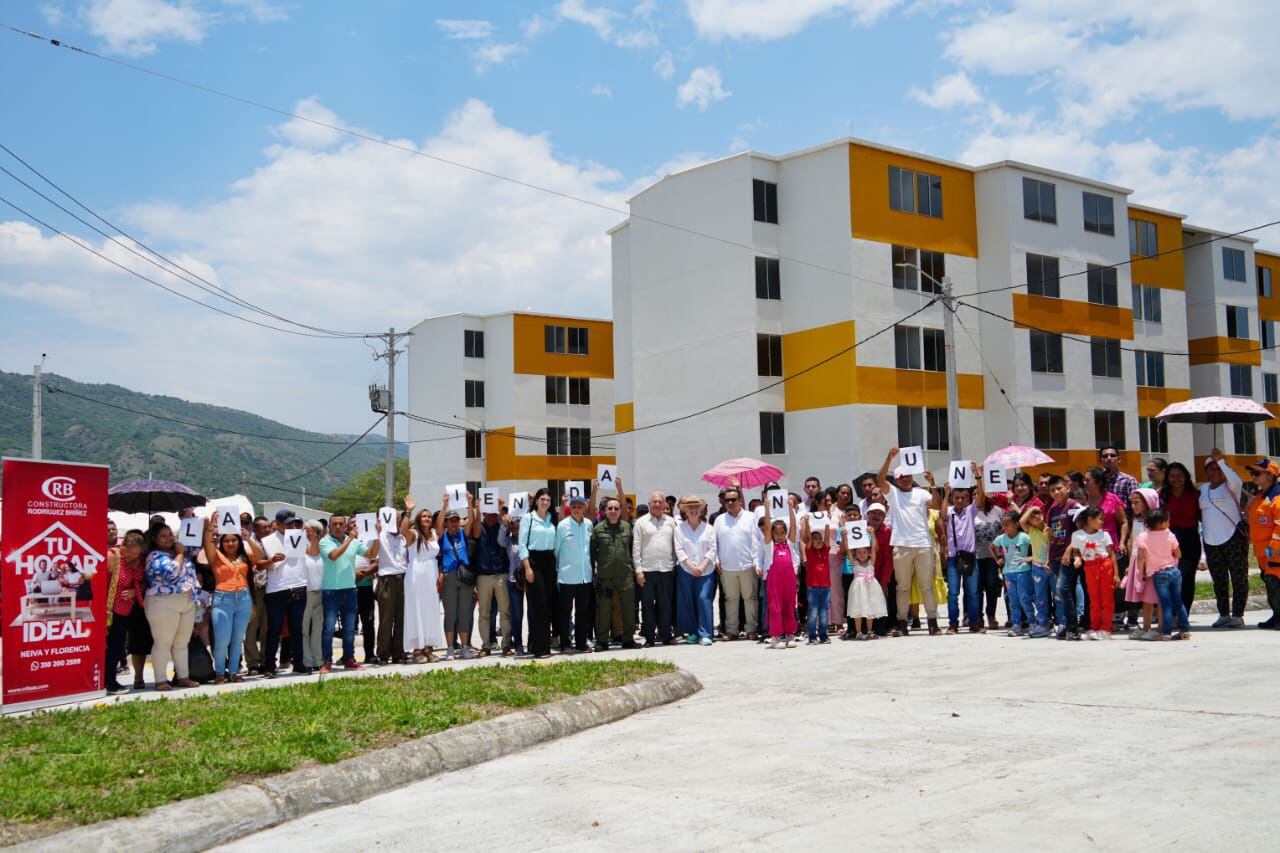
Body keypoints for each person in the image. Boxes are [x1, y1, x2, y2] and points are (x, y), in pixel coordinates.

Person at [877, 448, 940, 636]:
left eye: (908, 475)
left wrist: (933, 485)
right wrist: (888, 459)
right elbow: (880, 480)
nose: (906, 478)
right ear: (896, 479)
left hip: (922, 544)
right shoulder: (893, 494)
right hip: (902, 544)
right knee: (902, 587)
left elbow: (935, 505)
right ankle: (902, 623)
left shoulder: (921, 493)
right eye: (902, 476)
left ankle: (933, 622)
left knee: (926, 585)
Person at [258, 511, 317, 677]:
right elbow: (259, 564)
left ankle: (298, 663)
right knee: (274, 629)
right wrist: (271, 561)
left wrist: (312, 538)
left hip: (298, 585)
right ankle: (270, 665)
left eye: (293, 523)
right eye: (287, 523)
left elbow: (313, 553)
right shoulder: (268, 540)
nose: (291, 526)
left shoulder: (300, 536)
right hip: (277, 589)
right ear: (277, 523)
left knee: (297, 629)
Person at [202, 513, 259, 684]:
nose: (230, 543)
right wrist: (210, 526)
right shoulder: (216, 556)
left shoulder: (244, 556)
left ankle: (233, 672)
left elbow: (259, 554)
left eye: (234, 540)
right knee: (221, 640)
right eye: (226, 540)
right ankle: (220, 672)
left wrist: (249, 539)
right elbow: (207, 543)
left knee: (236, 639)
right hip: (222, 599)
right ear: (221, 542)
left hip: (243, 598)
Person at [143, 523, 200, 690]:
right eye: (163, 535)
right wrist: (180, 553)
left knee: (182, 643)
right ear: (154, 539)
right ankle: (160, 680)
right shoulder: (154, 556)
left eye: (170, 534)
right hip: (163, 603)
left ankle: (183, 677)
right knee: (163, 642)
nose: (169, 538)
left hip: (186, 602)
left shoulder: (178, 554)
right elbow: (172, 572)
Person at [1200, 450, 1249, 628]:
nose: (1215, 472)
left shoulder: (1231, 486)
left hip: (1234, 537)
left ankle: (1237, 615)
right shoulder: (1203, 490)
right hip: (1211, 541)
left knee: (1238, 577)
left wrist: (1221, 461)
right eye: (1211, 469)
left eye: (1218, 468)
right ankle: (1223, 614)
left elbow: (1236, 479)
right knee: (1219, 579)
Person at [320, 514, 371, 671]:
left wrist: (376, 536)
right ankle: (327, 661)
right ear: (329, 526)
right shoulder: (325, 541)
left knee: (349, 628)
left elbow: (370, 554)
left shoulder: (354, 541)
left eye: (340, 524)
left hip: (350, 590)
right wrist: (349, 540)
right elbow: (333, 556)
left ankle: (349, 659)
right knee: (329, 628)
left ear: (345, 526)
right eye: (334, 524)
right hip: (331, 591)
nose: (337, 526)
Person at [1066, 506, 1120, 640]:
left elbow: (1111, 555)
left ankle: (1106, 628)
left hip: (1104, 565)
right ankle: (1094, 628)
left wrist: (1116, 574)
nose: (1103, 521)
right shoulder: (1077, 535)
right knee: (1094, 600)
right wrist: (1078, 558)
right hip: (1089, 567)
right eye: (1100, 519)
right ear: (1090, 520)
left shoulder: (1104, 534)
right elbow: (1076, 550)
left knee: (1107, 599)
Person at [1135, 508, 1190, 640]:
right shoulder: (1169, 535)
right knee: (1178, 601)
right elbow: (1178, 553)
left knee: (1166, 604)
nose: (1169, 522)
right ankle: (1185, 630)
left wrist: (1141, 572)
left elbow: (1141, 557)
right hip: (1174, 571)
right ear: (1160, 523)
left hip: (1158, 574)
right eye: (1167, 520)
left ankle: (1166, 633)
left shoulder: (1143, 537)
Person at [591, 496, 638, 652]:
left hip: (625, 576)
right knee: (604, 609)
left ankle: (628, 639)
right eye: (609, 508)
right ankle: (602, 641)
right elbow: (592, 552)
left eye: (616, 508)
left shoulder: (626, 528)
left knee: (628, 608)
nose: (613, 511)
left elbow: (633, 550)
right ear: (604, 511)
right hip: (605, 577)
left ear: (620, 511)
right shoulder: (598, 530)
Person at [714, 487, 761, 640]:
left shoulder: (751, 517)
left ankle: (751, 629)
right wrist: (716, 561)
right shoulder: (719, 520)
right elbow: (714, 543)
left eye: (733, 499)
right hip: (727, 567)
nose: (730, 502)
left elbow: (756, 541)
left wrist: (756, 562)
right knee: (730, 599)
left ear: (740, 500)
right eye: (727, 500)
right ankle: (732, 630)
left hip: (748, 565)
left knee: (750, 598)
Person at [401, 498, 444, 663]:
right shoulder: (414, 534)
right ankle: (417, 650)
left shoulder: (434, 534)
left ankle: (428, 648)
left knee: (430, 611)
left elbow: (440, 525)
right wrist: (408, 511)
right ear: (419, 519)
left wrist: (444, 505)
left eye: (429, 516)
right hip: (416, 576)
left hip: (430, 575)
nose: (427, 518)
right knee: (416, 610)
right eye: (424, 516)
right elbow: (403, 530)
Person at [436, 492, 478, 659]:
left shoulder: (462, 534)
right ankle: (450, 648)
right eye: (450, 521)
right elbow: (438, 525)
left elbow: (471, 522)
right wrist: (445, 505)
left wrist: (470, 502)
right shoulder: (442, 536)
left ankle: (465, 647)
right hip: (450, 577)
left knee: (464, 613)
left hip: (465, 577)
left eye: (456, 520)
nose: (454, 523)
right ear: (446, 523)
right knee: (450, 613)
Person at [104, 529, 146, 694]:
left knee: (117, 647)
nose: (131, 557)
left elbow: (143, 583)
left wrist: (134, 592)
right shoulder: (112, 556)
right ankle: (108, 681)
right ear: (122, 545)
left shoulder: (138, 562)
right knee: (110, 647)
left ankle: (109, 680)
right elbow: (98, 582)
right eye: (129, 553)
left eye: (136, 555)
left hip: (125, 610)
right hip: (108, 610)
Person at [633, 491, 678, 647]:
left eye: (660, 502)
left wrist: (674, 564)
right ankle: (649, 638)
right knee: (647, 605)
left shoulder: (671, 522)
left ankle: (666, 635)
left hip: (666, 569)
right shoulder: (641, 522)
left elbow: (675, 546)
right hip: (647, 570)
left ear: (665, 504)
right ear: (650, 503)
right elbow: (636, 548)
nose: (657, 504)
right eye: (654, 502)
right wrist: (638, 570)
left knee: (665, 604)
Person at [519, 489, 558, 659]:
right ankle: (539, 648)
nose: (545, 502)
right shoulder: (528, 518)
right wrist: (527, 568)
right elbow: (522, 545)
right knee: (539, 605)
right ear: (536, 501)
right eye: (542, 499)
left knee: (548, 605)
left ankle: (544, 646)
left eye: (548, 500)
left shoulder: (552, 519)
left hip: (549, 562)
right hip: (533, 563)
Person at [674, 495, 717, 645]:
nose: (693, 510)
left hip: (706, 571)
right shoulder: (679, 529)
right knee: (688, 601)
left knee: (703, 599)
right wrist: (692, 567)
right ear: (685, 510)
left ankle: (706, 633)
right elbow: (679, 550)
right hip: (686, 570)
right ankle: (692, 632)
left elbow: (712, 550)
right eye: (690, 507)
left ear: (701, 510)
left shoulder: (709, 529)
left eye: (696, 507)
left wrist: (702, 566)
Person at [1160, 461, 1202, 616]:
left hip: (1190, 538)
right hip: (1167, 540)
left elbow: (1203, 517)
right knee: (1169, 579)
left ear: (1186, 477)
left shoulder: (1195, 495)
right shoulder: (1161, 494)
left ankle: (1183, 614)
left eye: (1180, 475)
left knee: (1187, 579)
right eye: (1172, 476)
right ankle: (1170, 614)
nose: (1176, 479)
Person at [555, 493, 595, 653]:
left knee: (582, 612)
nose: (577, 509)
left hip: (585, 576)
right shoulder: (563, 525)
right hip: (567, 577)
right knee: (565, 613)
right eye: (574, 507)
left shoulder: (589, 524)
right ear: (569, 508)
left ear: (584, 508)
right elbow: (556, 550)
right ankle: (565, 644)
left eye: (580, 506)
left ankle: (581, 643)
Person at [940, 475, 978, 634]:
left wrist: (979, 478)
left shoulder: (970, 511)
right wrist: (946, 492)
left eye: (963, 498)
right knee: (953, 592)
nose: (960, 501)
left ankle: (974, 622)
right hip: (954, 558)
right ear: (952, 499)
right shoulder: (949, 511)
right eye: (956, 498)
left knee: (973, 592)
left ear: (968, 499)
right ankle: (953, 624)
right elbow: (942, 516)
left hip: (969, 556)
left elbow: (981, 499)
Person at [474, 501, 513, 657]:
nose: (492, 517)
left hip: (501, 574)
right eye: (488, 514)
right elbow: (475, 532)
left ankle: (506, 644)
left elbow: (512, 524)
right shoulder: (480, 527)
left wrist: (500, 509)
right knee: (484, 612)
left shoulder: (503, 527)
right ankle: (486, 645)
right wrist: (476, 509)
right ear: (484, 514)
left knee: (505, 612)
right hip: (484, 575)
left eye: (494, 514)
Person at [1245, 458, 1280, 629]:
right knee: (1270, 583)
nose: (1253, 476)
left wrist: (1274, 551)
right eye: (1252, 473)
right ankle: (1276, 615)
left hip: (1274, 551)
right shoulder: (1259, 497)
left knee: (1276, 581)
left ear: (1271, 475)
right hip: (1262, 551)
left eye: (1257, 473)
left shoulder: (1277, 497)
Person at [1122, 489, 1161, 640]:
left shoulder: (1155, 522)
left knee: (1154, 596)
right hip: (1136, 561)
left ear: (1148, 502)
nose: (1133, 505)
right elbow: (1132, 540)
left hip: (1150, 563)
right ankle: (1146, 627)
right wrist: (1130, 564)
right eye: (1132, 502)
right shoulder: (1136, 520)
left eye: (1137, 502)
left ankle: (1161, 627)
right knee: (1146, 597)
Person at [1047, 476, 1083, 640]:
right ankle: (1067, 624)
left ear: (1068, 487)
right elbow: (1051, 536)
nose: (1056, 492)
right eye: (1053, 490)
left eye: (1059, 488)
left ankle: (1072, 628)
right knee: (1062, 592)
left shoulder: (1074, 506)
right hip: (1054, 556)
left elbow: (1080, 532)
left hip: (1068, 557)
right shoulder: (1053, 510)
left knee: (1063, 588)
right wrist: (1048, 557)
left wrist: (1070, 551)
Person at [375, 504, 410, 665]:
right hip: (387, 580)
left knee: (402, 618)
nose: (396, 521)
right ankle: (383, 653)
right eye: (393, 518)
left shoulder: (404, 537)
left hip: (403, 579)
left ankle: (398, 652)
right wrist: (377, 530)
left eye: (399, 519)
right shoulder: (381, 535)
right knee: (386, 619)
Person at [971, 472, 1006, 632]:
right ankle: (977, 618)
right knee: (976, 588)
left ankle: (991, 615)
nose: (977, 496)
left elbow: (1008, 527)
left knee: (992, 586)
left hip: (993, 556)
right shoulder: (970, 511)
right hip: (976, 556)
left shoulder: (998, 511)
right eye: (974, 493)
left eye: (980, 492)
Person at [762, 498, 799, 649]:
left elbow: (794, 528)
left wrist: (790, 509)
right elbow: (766, 528)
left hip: (789, 580)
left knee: (789, 606)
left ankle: (790, 634)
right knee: (775, 607)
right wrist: (767, 509)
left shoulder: (789, 543)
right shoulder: (769, 545)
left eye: (782, 532)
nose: (779, 535)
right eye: (776, 533)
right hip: (774, 581)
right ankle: (776, 637)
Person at [992, 513, 1034, 636]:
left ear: (1016, 524)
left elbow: (1038, 545)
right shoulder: (1001, 538)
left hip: (1023, 571)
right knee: (1013, 600)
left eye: (1008, 524)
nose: (1005, 527)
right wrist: (998, 558)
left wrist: (1031, 557)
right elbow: (992, 547)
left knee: (1024, 598)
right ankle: (1016, 624)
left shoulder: (1024, 537)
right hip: (1008, 573)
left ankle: (1032, 622)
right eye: (1003, 524)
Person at [244, 516, 271, 674]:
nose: (267, 530)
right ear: (254, 529)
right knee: (251, 627)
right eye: (264, 527)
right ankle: (252, 662)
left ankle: (266, 660)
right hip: (253, 590)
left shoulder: (273, 542)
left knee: (267, 628)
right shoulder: (247, 543)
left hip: (270, 589)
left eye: (269, 527)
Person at [1019, 505, 1052, 637]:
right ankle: (1043, 623)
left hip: (1051, 566)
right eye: (1032, 517)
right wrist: (1032, 508)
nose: (1036, 517)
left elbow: (1050, 546)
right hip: (1038, 568)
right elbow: (1022, 522)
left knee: (1057, 595)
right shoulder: (1031, 530)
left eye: (1038, 514)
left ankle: (1061, 622)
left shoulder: (1050, 529)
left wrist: (1048, 561)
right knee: (1040, 597)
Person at [300, 519, 326, 671]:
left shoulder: (323, 548)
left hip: (321, 592)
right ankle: (307, 660)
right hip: (306, 593)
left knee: (317, 629)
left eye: (307, 529)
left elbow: (315, 552)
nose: (305, 532)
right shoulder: (299, 547)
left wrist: (315, 538)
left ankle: (318, 659)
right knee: (304, 629)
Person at [803, 527, 831, 643]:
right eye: (815, 539)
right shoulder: (809, 551)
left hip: (825, 587)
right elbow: (808, 538)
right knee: (813, 612)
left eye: (820, 538)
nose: (819, 541)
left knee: (824, 612)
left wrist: (827, 525)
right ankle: (812, 636)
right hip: (813, 587)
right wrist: (807, 522)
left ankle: (823, 635)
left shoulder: (825, 550)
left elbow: (828, 538)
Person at [1099, 445, 1139, 509]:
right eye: (1105, 456)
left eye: (1112, 455)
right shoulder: (1097, 481)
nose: (1109, 458)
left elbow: (1136, 505)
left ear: (1119, 459)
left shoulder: (1129, 481)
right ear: (1100, 460)